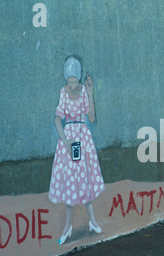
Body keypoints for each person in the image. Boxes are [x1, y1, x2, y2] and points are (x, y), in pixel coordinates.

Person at [48, 56, 105, 245]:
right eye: (69, 81)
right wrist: (65, 141)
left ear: (79, 78)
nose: (72, 85)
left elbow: (92, 116)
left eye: (75, 81)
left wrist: (89, 91)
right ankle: (67, 226)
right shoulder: (63, 92)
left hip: (83, 138)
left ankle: (93, 221)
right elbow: (57, 119)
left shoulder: (83, 90)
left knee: (86, 179)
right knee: (71, 183)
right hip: (70, 140)